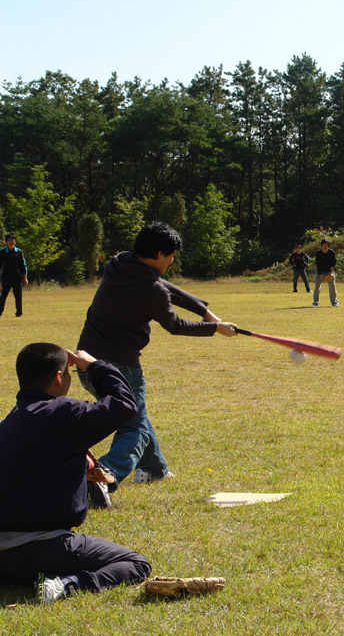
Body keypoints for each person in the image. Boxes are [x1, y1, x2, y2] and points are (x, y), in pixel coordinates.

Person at [76, 222, 237, 489]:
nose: (172, 262)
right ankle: (102, 476)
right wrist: (215, 328)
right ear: (160, 254)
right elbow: (175, 325)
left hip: (86, 365)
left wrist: (204, 311)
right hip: (120, 369)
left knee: (137, 416)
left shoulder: (120, 263)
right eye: (171, 256)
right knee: (134, 428)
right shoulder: (152, 290)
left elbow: (165, 285)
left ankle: (154, 470)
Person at [0, 343, 151, 603]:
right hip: (45, 547)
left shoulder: (10, 422)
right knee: (135, 563)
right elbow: (124, 404)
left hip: (3, 557)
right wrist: (94, 365)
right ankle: (68, 584)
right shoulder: (61, 413)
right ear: (59, 378)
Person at [0, 233, 28, 317]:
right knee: (3, 296)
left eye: (13, 240)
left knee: (18, 296)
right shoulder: (2, 252)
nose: (11, 241)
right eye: (9, 240)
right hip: (6, 277)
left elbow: (23, 265)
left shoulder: (18, 252)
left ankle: (19, 313)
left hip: (16, 277)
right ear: (6, 241)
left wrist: (25, 278)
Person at [312, 239, 339, 308]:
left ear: (328, 246)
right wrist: (320, 274)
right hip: (320, 272)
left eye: (326, 244)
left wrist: (331, 272)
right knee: (317, 286)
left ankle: (334, 302)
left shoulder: (331, 253)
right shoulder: (318, 253)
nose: (325, 246)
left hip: (329, 272)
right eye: (324, 244)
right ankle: (315, 302)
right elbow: (318, 264)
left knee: (332, 286)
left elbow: (333, 263)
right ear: (321, 246)